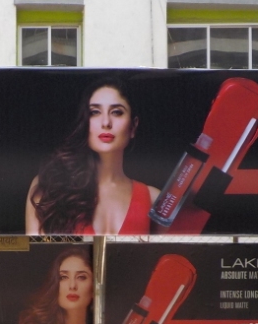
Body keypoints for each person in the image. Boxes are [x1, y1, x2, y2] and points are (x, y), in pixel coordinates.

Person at [25, 78, 159, 235]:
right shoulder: (49, 186)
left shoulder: (153, 199)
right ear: (85, 121)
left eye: (117, 112)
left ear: (133, 126)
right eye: (95, 112)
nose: (106, 122)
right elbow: (34, 250)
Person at [8, 247, 94, 324]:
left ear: (94, 288)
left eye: (81, 277)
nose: (72, 285)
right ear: (55, 284)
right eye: (63, 277)